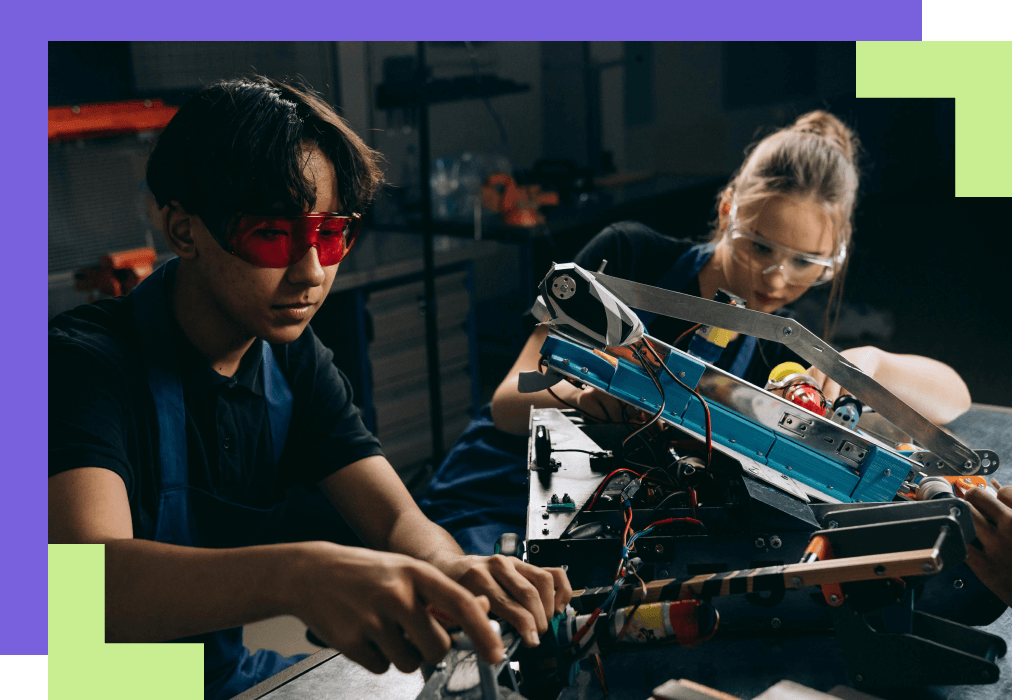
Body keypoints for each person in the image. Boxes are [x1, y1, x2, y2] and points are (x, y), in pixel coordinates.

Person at [48, 76, 571, 700]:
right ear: (183, 231)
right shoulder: (84, 364)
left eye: (329, 235)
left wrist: (451, 572)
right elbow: (89, 586)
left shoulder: (289, 360)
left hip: (216, 679)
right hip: (93, 687)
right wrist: (300, 574)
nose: (311, 272)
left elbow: (398, 517)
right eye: (271, 235)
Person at [419, 110, 973, 556]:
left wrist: (866, 365)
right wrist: (590, 396)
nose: (778, 279)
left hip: (601, 528)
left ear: (837, 256)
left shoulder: (775, 352)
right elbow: (506, 405)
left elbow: (954, 397)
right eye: (760, 248)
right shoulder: (629, 255)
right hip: (493, 498)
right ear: (729, 208)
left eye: (808, 263)